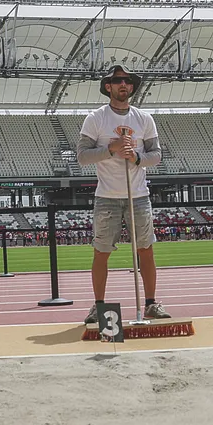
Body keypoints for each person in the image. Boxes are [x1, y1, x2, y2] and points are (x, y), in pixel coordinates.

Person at [77, 64, 171, 324]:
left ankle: (151, 303)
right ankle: (98, 306)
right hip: (106, 196)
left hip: (138, 196)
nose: (123, 85)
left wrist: (137, 157)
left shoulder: (144, 119)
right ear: (108, 86)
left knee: (146, 250)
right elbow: (83, 157)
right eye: (118, 80)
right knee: (101, 252)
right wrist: (112, 149)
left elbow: (157, 156)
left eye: (128, 81)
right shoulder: (96, 118)